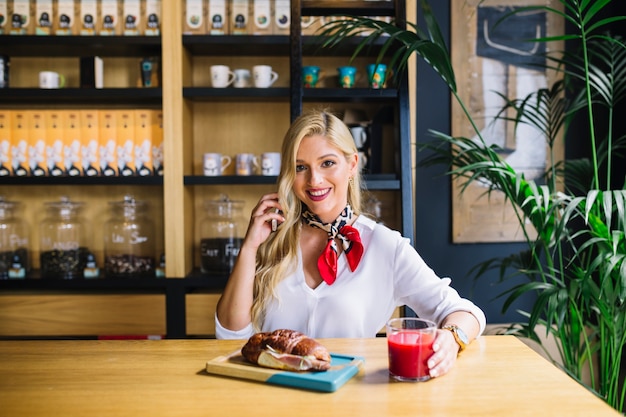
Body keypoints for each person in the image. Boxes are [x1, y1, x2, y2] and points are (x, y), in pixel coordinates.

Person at [216, 109, 486, 378]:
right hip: (273, 399)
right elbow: (230, 334)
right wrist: (249, 247)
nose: (314, 180)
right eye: (301, 167)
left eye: (327, 163)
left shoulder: (385, 246)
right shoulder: (269, 238)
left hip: (350, 399)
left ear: (352, 165)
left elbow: (465, 312)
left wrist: (451, 339)